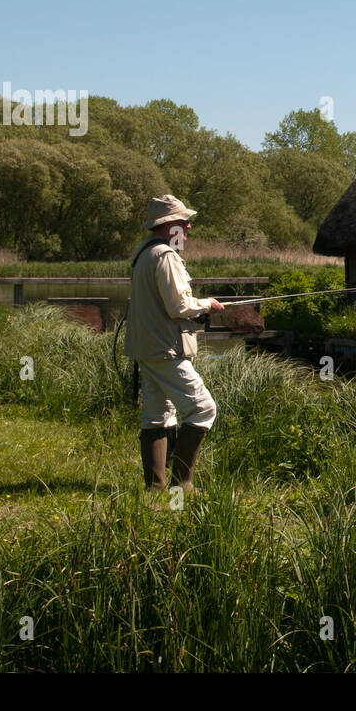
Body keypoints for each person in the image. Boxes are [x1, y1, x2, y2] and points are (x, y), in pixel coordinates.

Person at [125, 194, 224, 493]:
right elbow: (178, 306)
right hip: (166, 349)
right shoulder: (165, 256)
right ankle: (182, 485)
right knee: (203, 409)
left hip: (148, 348)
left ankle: (155, 489)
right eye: (184, 222)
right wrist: (207, 304)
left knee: (157, 415)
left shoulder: (143, 253)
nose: (189, 228)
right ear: (170, 225)